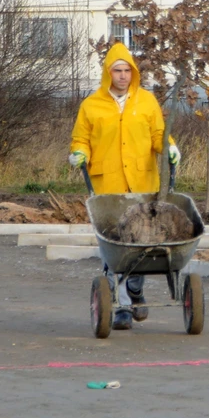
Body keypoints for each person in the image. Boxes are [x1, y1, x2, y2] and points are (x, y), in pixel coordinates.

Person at [69, 42, 180, 330]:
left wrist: (169, 147)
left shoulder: (146, 102)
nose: (122, 76)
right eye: (117, 70)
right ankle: (119, 306)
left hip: (143, 185)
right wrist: (80, 152)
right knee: (114, 247)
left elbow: (158, 134)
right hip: (108, 189)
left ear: (133, 73)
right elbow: (81, 138)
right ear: (108, 73)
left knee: (141, 243)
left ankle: (135, 290)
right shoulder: (91, 105)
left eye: (126, 71)